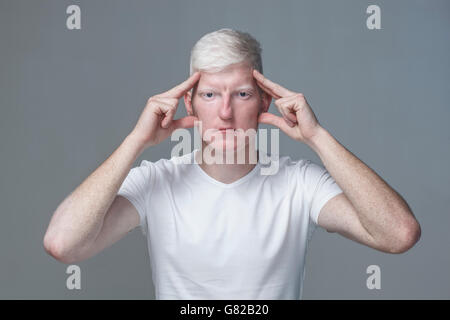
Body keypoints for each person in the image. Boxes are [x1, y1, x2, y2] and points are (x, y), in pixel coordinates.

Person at [43, 28, 421, 300]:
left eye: (241, 94)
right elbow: (63, 244)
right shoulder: (156, 182)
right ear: (188, 104)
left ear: (264, 103)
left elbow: (398, 235)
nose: (225, 112)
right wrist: (135, 142)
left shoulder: (299, 183)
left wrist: (318, 138)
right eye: (209, 94)